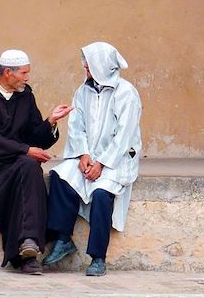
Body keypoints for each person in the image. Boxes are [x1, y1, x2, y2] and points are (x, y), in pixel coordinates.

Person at [0, 49, 73, 275]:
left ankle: (29, 245)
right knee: (27, 167)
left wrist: (51, 121)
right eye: (23, 73)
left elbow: (33, 134)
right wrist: (25, 150)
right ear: (7, 73)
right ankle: (26, 253)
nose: (27, 78)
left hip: (17, 160)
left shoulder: (25, 95)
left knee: (29, 168)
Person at [42, 42, 142, 277]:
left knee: (101, 195)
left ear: (102, 65)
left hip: (117, 160)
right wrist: (84, 154)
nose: (85, 67)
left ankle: (98, 257)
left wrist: (102, 163)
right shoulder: (82, 91)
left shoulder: (126, 93)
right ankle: (62, 238)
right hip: (90, 157)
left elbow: (124, 135)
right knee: (60, 176)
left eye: (89, 63)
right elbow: (77, 127)